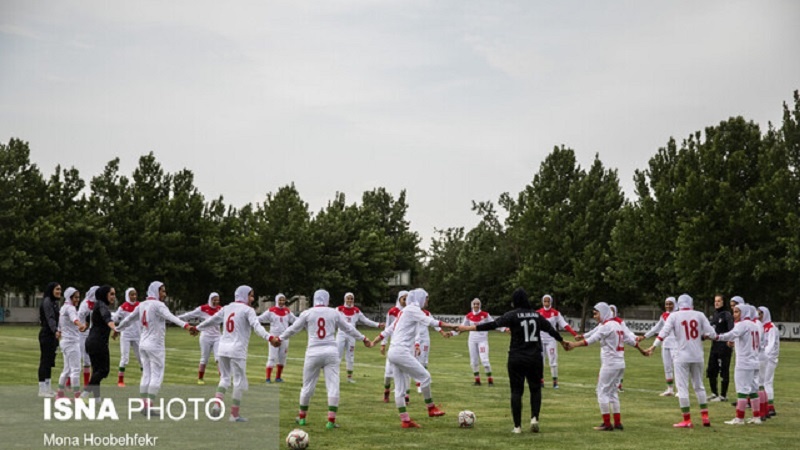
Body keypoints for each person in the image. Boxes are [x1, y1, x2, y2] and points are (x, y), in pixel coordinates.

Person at [457, 288, 568, 434]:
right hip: (534, 356)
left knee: (516, 391)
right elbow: (550, 329)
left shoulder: (512, 315)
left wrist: (467, 328)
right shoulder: (536, 315)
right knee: (535, 389)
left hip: (517, 357)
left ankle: (517, 427)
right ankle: (534, 418)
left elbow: (492, 325)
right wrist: (562, 341)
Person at [271, 289, 372, 429]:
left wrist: (279, 338)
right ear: (327, 299)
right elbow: (349, 328)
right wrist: (364, 338)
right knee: (333, 385)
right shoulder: (334, 312)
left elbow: (293, 329)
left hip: (313, 351)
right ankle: (331, 421)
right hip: (331, 351)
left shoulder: (307, 313)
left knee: (307, 386)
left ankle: (302, 418)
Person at [371, 288, 458, 429]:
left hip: (393, 351)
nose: (427, 301)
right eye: (427, 298)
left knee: (400, 390)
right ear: (420, 298)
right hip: (401, 352)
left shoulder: (404, 311)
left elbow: (389, 329)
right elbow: (430, 321)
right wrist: (453, 326)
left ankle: (405, 421)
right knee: (425, 377)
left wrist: (375, 341)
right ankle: (431, 408)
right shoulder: (412, 309)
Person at [116, 281, 196, 416]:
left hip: (143, 344)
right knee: (156, 376)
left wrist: (117, 329)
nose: (164, 294)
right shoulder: (158, 305)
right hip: (155, 345)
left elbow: (128, 320)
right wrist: (187, 326)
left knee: (146, 374)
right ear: (155, 291)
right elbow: (171, 317)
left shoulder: (142, 305)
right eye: (162, 291)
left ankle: (143, 405)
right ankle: (149, 406)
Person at [565, 302, 648, 431]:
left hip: (610, 363)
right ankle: (618, 423)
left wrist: (573, 345)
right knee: (613, 393)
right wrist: (642, 350)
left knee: (601, 392)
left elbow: (591, 340)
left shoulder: (606, 326)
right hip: (620, 363)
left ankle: (607, 424)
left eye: (596, 313)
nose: (595, 316)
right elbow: (631, 341)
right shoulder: (617, 324)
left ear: (603, 312)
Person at [198, 285, 270, 422]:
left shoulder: (226, 308)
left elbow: (211, 320)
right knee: (238, 381)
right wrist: (269, 337)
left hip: (222, 349)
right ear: (244, 295)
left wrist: (197, 328)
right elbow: (257, 326)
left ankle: (217, 404)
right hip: (237, 350)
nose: (253, 298)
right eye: (251, 295)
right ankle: (234, 414)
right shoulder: (248, 310)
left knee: (224, 378)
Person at [644, 294, 716, 428]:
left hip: (681, 355)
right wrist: (705, 336)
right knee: (699, 386)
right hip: (697, 356)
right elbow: (711, 333)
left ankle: (687, 419)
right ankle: (705, 417)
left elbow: (663, 333)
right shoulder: (699, 314)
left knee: (682, 388)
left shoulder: (674, 316)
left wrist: (653, 346)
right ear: (691, 303)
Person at [714, 303, 762, 425]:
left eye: (737, 312)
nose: (734, 315)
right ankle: (756, 417)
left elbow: (731, 335)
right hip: (755, 361)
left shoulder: (742, 325)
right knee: (753, 390)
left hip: (744, 362)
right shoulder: (755, 325)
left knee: (742, 389)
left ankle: (739, 418)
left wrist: (716, 337)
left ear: (743, 312)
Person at [450, 298, 506, 386]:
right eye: (474, 304)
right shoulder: (468, 316)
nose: (476, 305)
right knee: (474, 362)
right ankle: (477, 380)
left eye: (478, 304)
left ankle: (490, 380)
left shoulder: (485, 315)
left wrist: (504, 329)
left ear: (480, 305)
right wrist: (451, 333)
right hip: (472, 341)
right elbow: (462, 327)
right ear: (472, 305)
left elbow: (494, 324)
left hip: (482, 340)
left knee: (485, 360)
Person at [336, 292, 384, 383]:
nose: (349, 300)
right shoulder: (339, 309)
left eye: (351, 299)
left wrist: (377, 325)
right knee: (338, 355)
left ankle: (349, 377)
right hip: (341, 334)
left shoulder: (356, 311)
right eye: (348, 298)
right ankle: (335, 376)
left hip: (352, 335)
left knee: (350, 356)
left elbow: (366, 321)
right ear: (344, 299)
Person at [82, 285, 119, 400]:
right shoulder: (102, 305)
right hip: (98, 343)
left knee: (96, 371)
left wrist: (86, 326)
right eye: (111, 294)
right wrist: (115, 328)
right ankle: (85, 393)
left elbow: (89, 317)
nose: (114, 297)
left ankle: (96, 398)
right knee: (104, 371)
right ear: (104, 294)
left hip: (91, 342)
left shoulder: (96, 305)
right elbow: (107, 317)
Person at [179, 292, 222, 385]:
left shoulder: (220, 309)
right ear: (210, 300)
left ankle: (223, 379)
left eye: (218, 299)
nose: (216, 301)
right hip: (205, 337)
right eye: (214, 299)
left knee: (219, 358)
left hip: (217, 337)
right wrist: (175, 318)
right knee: (204, 359)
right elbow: (189, 315)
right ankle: (200, 378)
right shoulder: (202, 309)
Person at [536, 294, 578, 389]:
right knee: (540, 361)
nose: (546, 303)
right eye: (545, 301)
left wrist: (574, 334)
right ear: (542, 302)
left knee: (553, 361)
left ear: (551, 302)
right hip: (540, 340)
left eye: (548, 301)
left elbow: (564, 324)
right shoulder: (538, 313)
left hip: (551, 339)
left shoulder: (555, 313)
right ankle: (541, 380)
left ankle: (555, 381)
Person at [412, 294, 449, 393]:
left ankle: (424, 378)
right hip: (415, 339)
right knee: (417, 360)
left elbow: (434, 323)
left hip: (425, 339)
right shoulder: (413, 312)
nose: (427, 302)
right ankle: (418, 383)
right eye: (426, 300)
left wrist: (442, 332)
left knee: (424, 360)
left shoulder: (427, 313)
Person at [55, 287, 87, 399]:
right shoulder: (71, 308)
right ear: (70, 297)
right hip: (72, 342)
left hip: (64, 342)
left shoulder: (63, 308)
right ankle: (77, 396)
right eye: (75, 297)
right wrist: (80, 325)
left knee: (67, 369)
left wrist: (59, 331)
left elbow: (60, 324)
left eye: (78, 297)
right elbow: (74, 319)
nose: (77, 299)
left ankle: (59, 393)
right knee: (76, 370)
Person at [258, 293, 296, 383]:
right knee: (272, 357)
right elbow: (259, 319)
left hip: (285, 337)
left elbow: (296, 320)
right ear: (276, 300)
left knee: (282, 357)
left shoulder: (287, 311)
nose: (282, 302)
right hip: (274, 338)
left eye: (283, 300)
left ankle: (278, 377)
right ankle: (268, 378)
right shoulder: (271, 311)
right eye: (280, 300)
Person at [643, 297, 677, 396]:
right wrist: (645, 336)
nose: (668, 306)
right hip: (665, 344)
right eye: (666, 304)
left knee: (677, 367)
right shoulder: (664, 316)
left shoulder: (678, 315)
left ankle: (680, 390)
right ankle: (670, 389)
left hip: (676, 344)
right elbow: (656, 328)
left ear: (675, 304)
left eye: (670, 304)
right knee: (667, 367)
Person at [382, 291, 407, 403]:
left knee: (405, 372)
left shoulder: (410, 311)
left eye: (407, 299)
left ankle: (405, 396)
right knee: (388, 374)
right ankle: (386, 390)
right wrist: (383, 343)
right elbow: (387, 328)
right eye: (403, 298)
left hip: (406, 345)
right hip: (394, 345)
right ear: (399, 299)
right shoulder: (393, 311)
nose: (405, 301)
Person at [707, 294, 734, 402]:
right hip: (714, 346)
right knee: (711, 369)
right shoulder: (714, 315)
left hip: (724, 347)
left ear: (723, 302)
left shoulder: (727, 315)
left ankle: (723, 395)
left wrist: (730, 340)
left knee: (723, 369)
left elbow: (732, 329)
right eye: (715, 301)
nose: (716, 303)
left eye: (719, 301)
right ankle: (714, 393)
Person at [113, 287, 141, 387]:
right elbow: (115, 318)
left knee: (141, 358)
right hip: (126, 335)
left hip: (138, 335)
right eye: (131, 295)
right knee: (124, 358)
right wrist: (116, 329)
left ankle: (145, 379)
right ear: (127, 296)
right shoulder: (123, 307)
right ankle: (120, 380)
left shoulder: (140, 306)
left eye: (135, 295)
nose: (134, 297)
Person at [38, 282, 61, 397]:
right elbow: (50, 318)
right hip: (47, 334)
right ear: (51, 290)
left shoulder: (54, 303)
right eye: (57, 289)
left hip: (52, 335)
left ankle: (48, 388)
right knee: (45, 361)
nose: (59, 291)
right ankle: (42, 389)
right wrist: (55, 330)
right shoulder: (47, 302)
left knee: (50, 361)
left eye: (60, 289)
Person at [757, 306, 779, 418]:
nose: (758, 316)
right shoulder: (761, 326)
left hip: (769, 358)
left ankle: (770, 407)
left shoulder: (771, 327)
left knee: (767, 382)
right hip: (762, 358)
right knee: (761, 383)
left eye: (760, 313)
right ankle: (765, 407)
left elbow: (771, 343)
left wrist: (765, 354)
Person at [78, 286, 99, 387]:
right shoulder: (85, 304)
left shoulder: (97, 305)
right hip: (82, 334)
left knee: (90, 359)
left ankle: (88, 383)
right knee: (84, 359)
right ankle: (86, 383)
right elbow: (80, 317)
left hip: (92, 334)